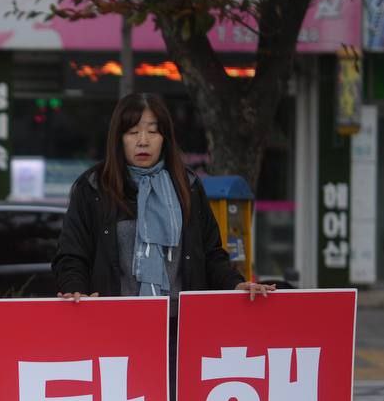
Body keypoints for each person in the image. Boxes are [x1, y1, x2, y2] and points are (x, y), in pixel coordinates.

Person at [53, 92, 274, 304]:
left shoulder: (187, 186)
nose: (143, 141)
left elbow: (211, 255)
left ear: (165, 138)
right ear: (118, 139)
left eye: (152, 132)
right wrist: (76, 290)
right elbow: (71, 255)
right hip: (116, 320)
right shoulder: (93, 188)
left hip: (181, 321)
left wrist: (236, 284)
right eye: (132, 132)